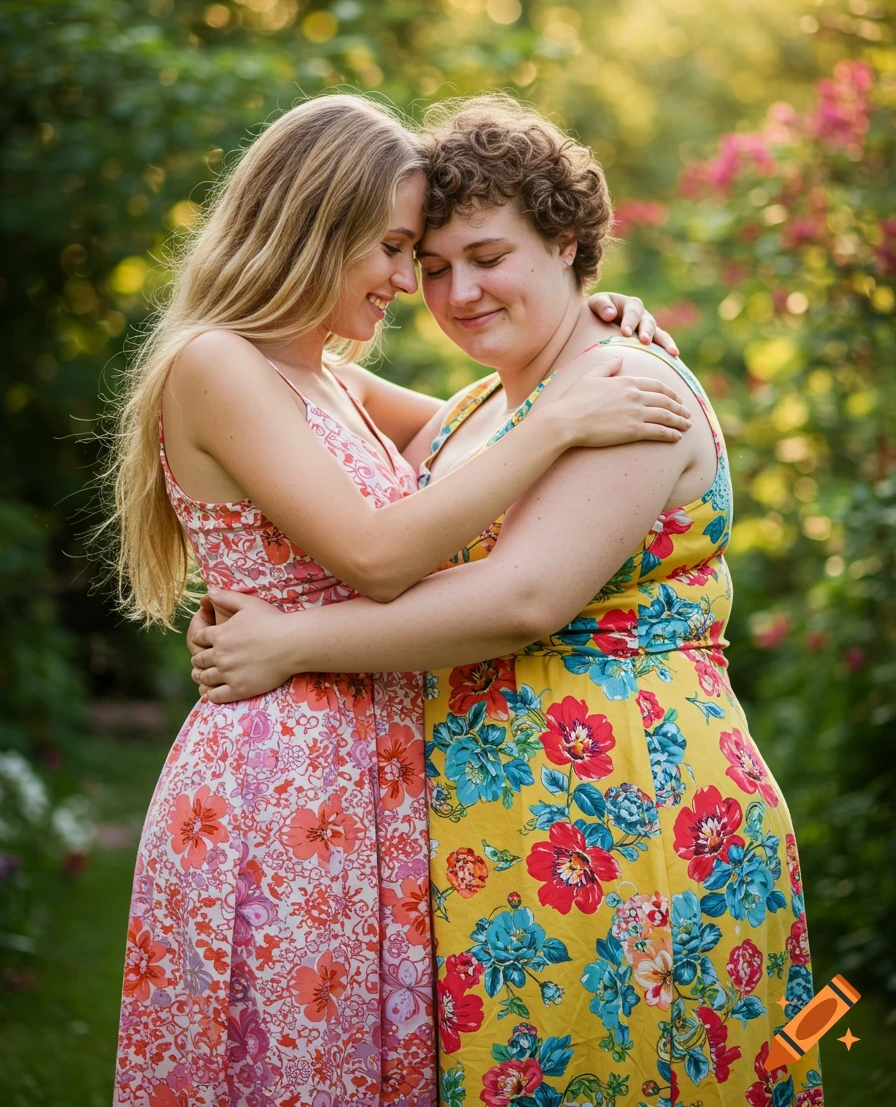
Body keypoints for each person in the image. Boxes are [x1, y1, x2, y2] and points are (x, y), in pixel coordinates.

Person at [189, 97, 823, 1107]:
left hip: (629, 807)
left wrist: (289, 639)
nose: (453, 290)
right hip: (502, 825)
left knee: (631, 1069)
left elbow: (521, 596)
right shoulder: (488, 406)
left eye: (486, 255)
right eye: (430, 265)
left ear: (567, 242)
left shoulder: (624, 390)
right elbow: (310, 413)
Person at [106, 91, 688, 1107]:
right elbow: (378, 553)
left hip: (374, 764)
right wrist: (559, 422)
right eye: (393, 251)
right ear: (310, 228)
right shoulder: (218, 364)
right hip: (279, 774)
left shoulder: (330, 380)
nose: (404, 282)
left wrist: (590, 327)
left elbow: (483, 426)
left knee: (371, 1061)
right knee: (294, 1064)